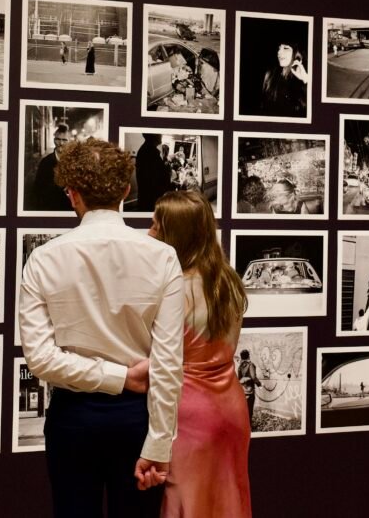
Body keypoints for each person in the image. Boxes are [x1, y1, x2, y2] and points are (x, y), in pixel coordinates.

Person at [19, 138, 184, 518]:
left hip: (73, 417)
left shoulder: (43, 259)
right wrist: (159, 442)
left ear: (71, 194)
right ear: (126, 190)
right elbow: (169, 361)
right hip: (138, 417)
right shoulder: (162, 257)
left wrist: (117, 377)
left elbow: (40, 359)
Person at [148, 190, 252, 518]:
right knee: (228, 499)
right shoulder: (228, 282)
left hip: (187, 412)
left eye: (156, 225)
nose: (149, 232)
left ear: (175, 235)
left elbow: (159, 358)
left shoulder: (173, 289)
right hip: (231, 408)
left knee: (187, 502)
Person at [29, 124, 73, 211]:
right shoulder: (45, 162)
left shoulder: (74, 162)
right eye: (58, 139)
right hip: (50, 206)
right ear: (54, 140)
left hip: (68, 207)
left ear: (69, 141)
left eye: (64, 140)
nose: (61, 143)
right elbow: (37, 189)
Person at [259, 42, 309, 117]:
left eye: (286, 48)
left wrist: (306, 80)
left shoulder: (307, 76)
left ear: (297, 54)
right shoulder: (270, 75)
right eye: (279, 48)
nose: (279, 52)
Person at [135, 134, 174, 212]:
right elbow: (155, 179)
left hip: (149, 197)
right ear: (153, 136)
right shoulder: (149, 152)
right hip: (151, 199)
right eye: (159, 134)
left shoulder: (149, 150)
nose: (161, 135)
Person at [237, 349, 260, 425]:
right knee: (249, 409)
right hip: (250, 391)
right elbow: (253, 377)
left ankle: (244, 425)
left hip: (242, 391)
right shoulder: (250, 365)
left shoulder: (240, 366)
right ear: (248, 356)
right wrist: (259, 384)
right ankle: (249, 426)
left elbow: (239, 379)